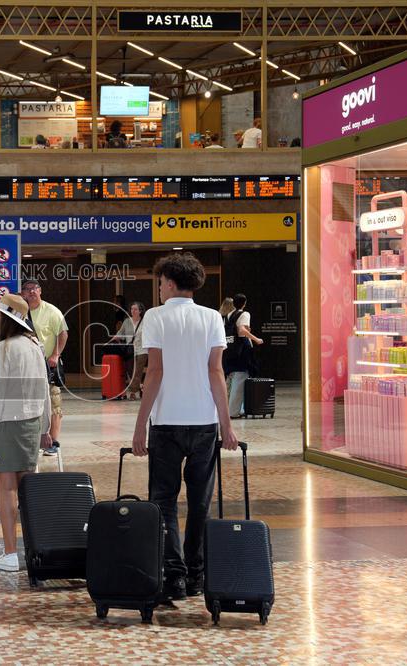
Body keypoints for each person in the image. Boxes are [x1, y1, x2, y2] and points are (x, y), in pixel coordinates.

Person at [130, 252, 239, 601]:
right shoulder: (211, 318)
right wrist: (227, 426)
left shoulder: (155, 317)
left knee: (163, 501)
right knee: (199, 502)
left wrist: (139, 425)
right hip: (204, 422)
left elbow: (155, 371)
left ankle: (173, 575)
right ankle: (196, 574)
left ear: (171, 283)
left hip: (166, 423)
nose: (159, 288)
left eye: (160, 282)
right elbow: (216, 373)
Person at [0, 293, 52, 572]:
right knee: (28, 491)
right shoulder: (34, 345)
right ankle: (36, 550)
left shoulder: (3, 349)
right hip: (32, 422)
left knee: (6, 488)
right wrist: (45, 427)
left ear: (8, 320)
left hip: (7, 423)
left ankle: (10, 554)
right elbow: (44, 387)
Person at [20, 280, 68, 457]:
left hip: (48, 365)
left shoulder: (51, 311)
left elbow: (63, 333)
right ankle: (34, 439)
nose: (31, 292)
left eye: (35, 289)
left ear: (40, 291)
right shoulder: (20, 311)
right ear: (22, 292)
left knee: (53, 402)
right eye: (27, 289)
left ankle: (53, 442)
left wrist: (56, 355)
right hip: (27, 367)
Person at [224, 293, 264, 418]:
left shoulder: (229, 315)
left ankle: (225, 410)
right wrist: (256, 339)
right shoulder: (245, 314)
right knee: (240, 378)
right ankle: (234, 411)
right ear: (244, 303)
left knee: (230, 380)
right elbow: (241, 330)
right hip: (241, 350)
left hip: (229, 349)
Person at [126, 306, 147, 401]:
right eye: (131, 309)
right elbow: (121, 332)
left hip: (142, 350)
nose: (133, 311)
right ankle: (143, 387)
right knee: (131, 371)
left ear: (140, 311)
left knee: (137, 371)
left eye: (135, 309)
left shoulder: (145, 322)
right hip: (130, 350)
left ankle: (132, 392)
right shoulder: (127, 321)